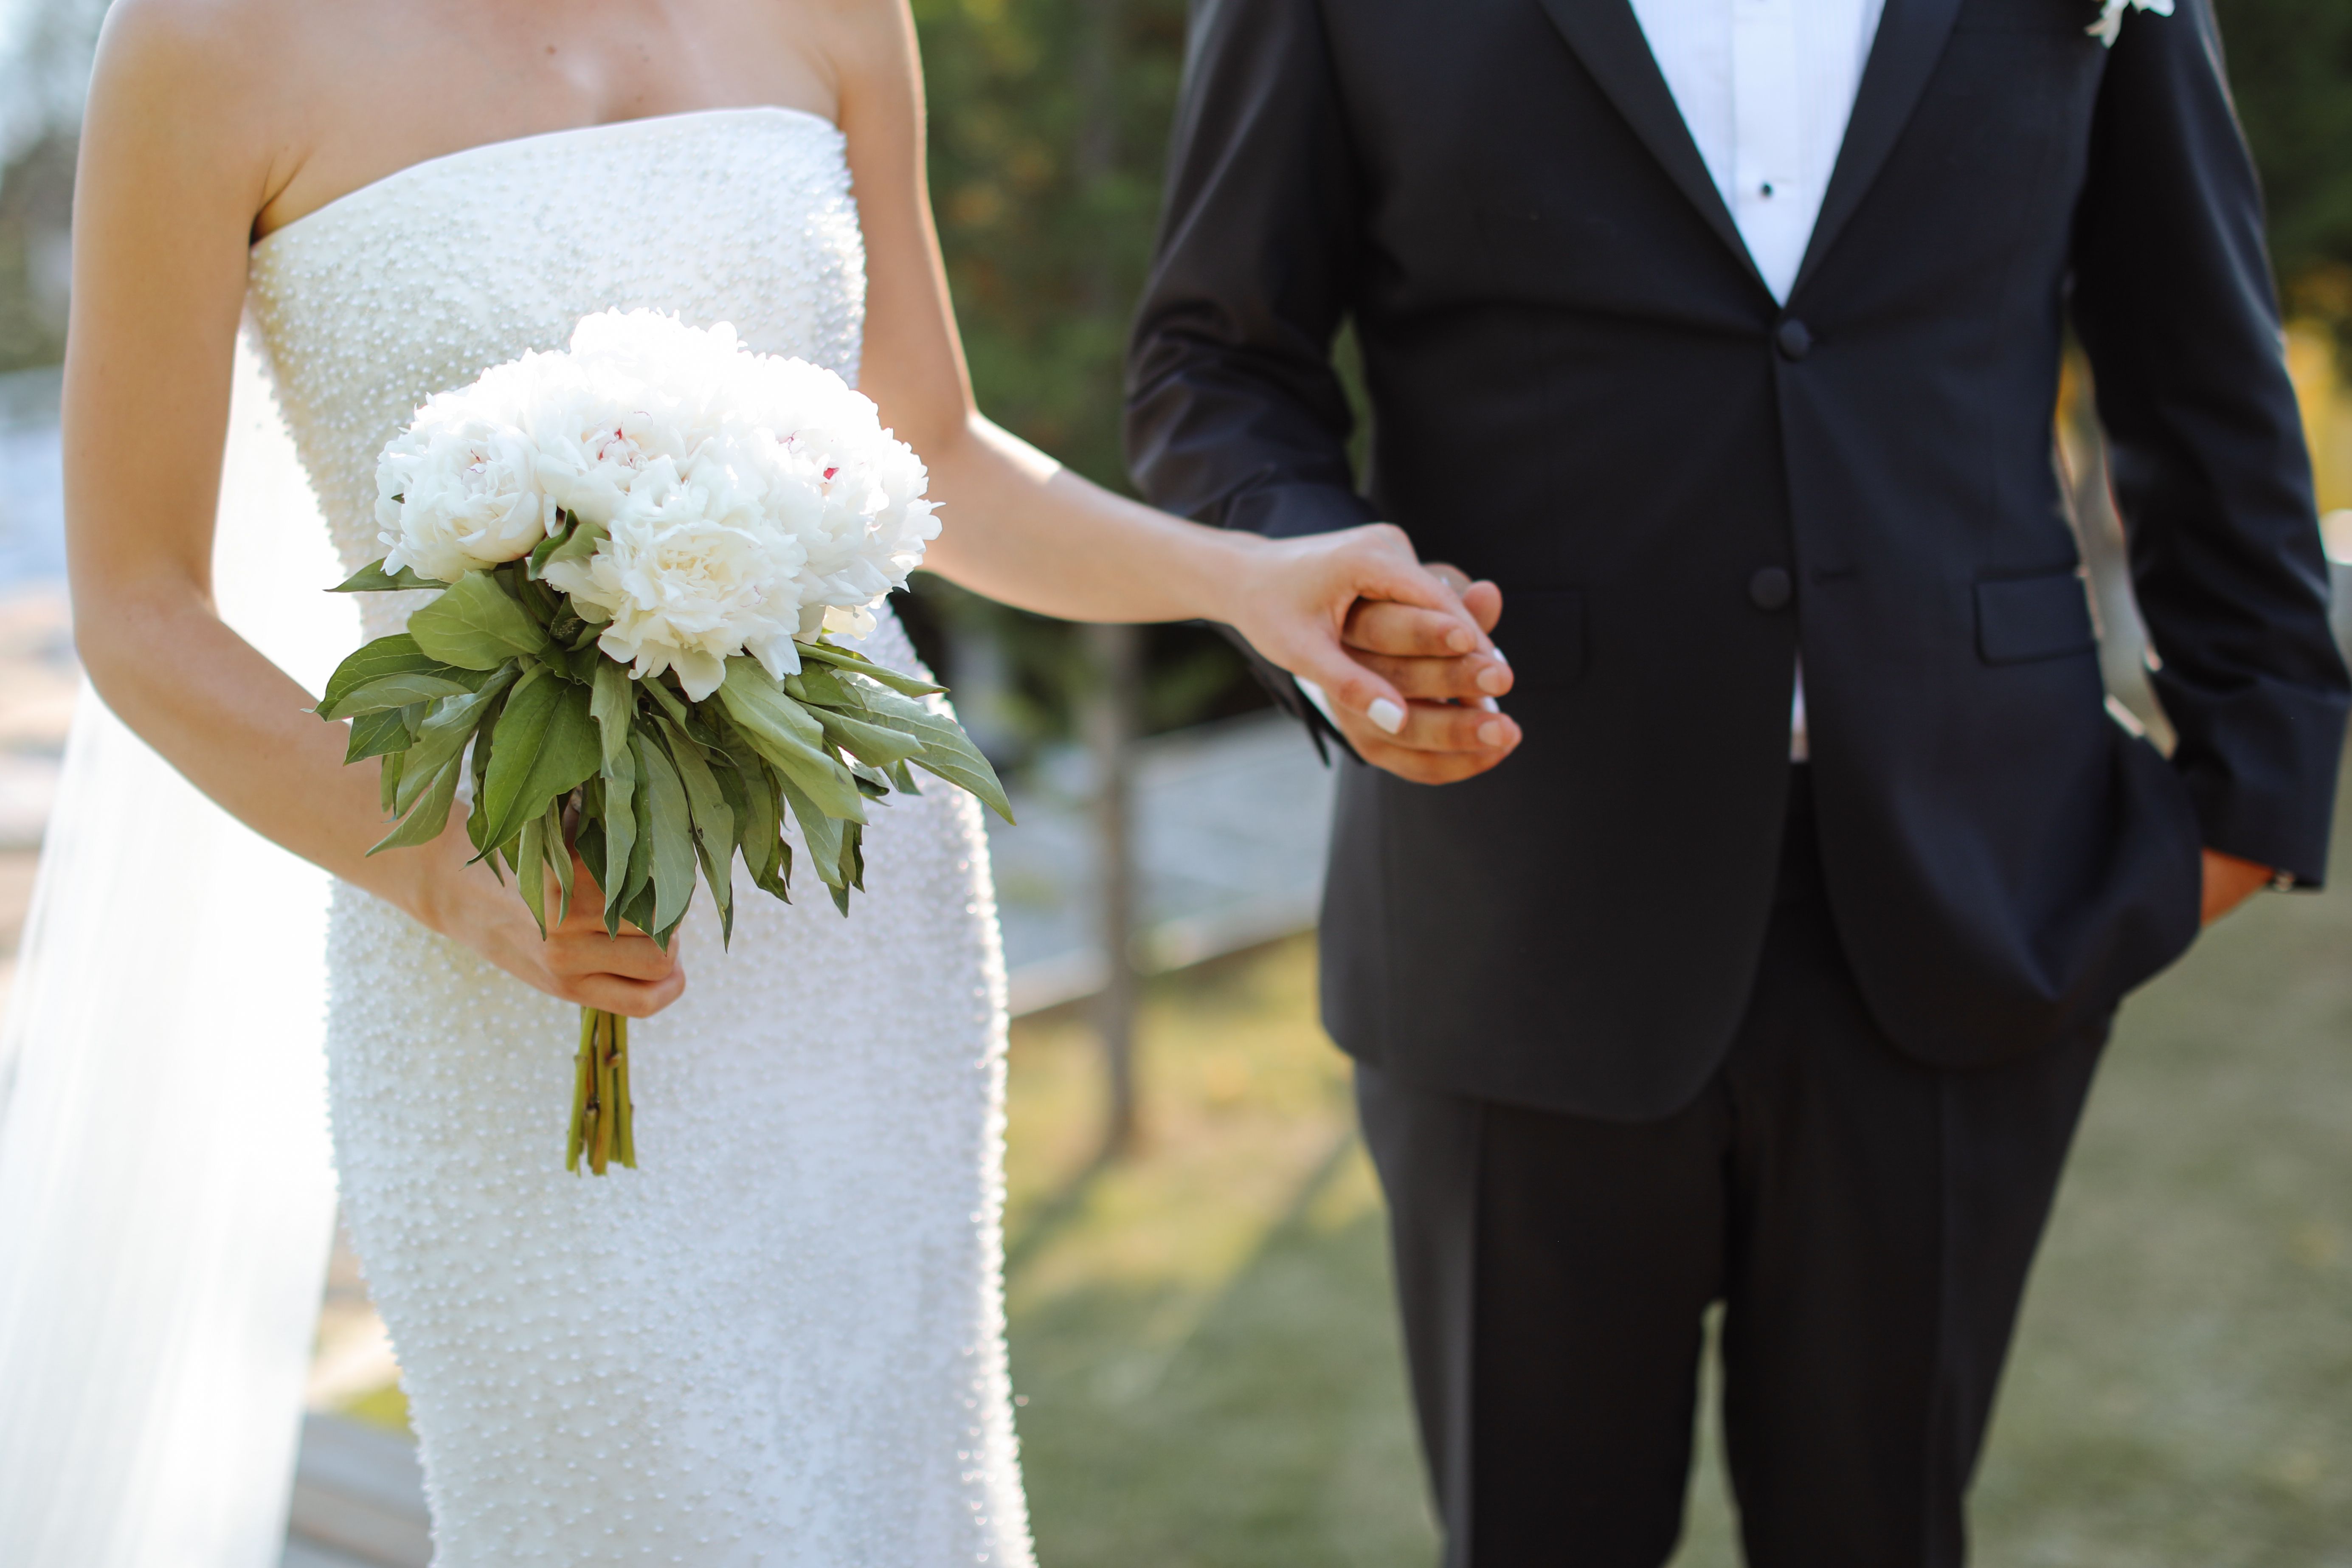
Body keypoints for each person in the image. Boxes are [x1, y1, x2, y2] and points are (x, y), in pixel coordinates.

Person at [7, 0, 1503, 1560]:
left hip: (854, 933)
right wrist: (448, 866)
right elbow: (138, 608)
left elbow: (932, 457)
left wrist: (1244, 578)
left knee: (884, 1497)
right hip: (512, 939)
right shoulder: (205, 43)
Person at [1125, 0, 2348, 1563]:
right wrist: (1323, 606)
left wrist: (2254, 792)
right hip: (1515, 889)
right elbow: (1215, 359)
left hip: (1972, 888)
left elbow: (2198, 356)